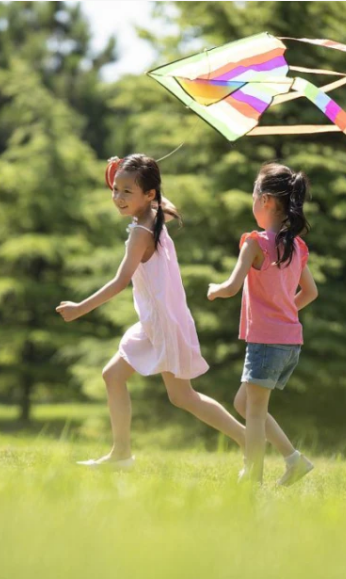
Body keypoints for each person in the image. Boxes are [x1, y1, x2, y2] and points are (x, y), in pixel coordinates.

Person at [57, 154, 246, 469]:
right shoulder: (157, 213)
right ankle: (121, 454)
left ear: (149, 194)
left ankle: (247, 439)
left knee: (183, 397)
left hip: (163, 323)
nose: (117, 197)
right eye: (115, 189)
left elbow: (120, 281)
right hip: (155, 320)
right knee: (113, 376)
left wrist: (80, 308)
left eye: (127, 191)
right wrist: (131, 174)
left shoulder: (141, 232)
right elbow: (162, 201)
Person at [208, 162, 318, 486]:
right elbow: (310, 292)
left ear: (266, 200)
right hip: (289, 343)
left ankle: (252, 476)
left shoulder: (255, 243)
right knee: (245, 403)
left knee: (253, 412)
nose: (252, 202)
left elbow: (230, 286)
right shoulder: (297, 246)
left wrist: (215, 290)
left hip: (266, 343)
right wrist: (285, 313)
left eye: (254, 195)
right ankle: (294, 460)